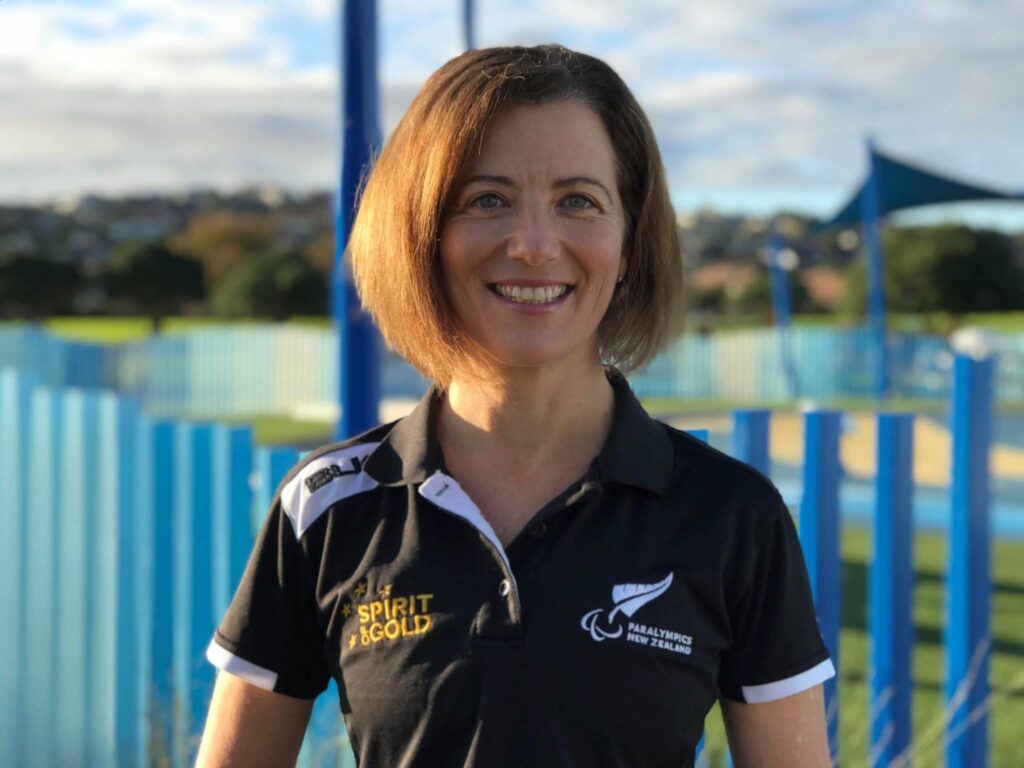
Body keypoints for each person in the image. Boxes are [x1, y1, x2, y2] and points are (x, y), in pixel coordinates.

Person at [197, 44, 834, 767]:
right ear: (423, 236)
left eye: (578, 202)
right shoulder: (326, 506)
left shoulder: (731, 514)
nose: (533, 245)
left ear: (629, 242)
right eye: (487, 200)